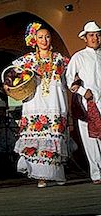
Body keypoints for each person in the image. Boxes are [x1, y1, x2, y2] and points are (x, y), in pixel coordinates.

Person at [11, 22, 69, 188]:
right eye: (40, 37)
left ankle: (57, 173)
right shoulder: (27, 60)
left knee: (54, 136)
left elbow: (72, 76)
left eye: (47, 36)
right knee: (37, 139)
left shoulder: (59, 59)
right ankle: (40, 176)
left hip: (55, 103)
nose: (44, 40)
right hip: (34, 103)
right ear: (34, 39)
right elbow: (11, 74)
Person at [66, 21, 101, 184]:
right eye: (91, 35)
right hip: (88, 103)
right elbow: (69, 80)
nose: (95, 38)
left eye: (97, 35)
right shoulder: (78, 57)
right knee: (90, 140)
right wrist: (82, 91)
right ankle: (96, 173)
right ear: (85, 38)